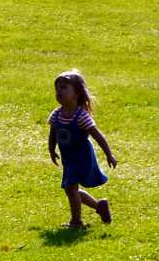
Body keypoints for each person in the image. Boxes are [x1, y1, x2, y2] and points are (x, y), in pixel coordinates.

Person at [48, 69, 117, 228]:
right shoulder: (56, 114)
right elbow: (53, 133)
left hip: (82, 157)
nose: (59, 92)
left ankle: (76, 221)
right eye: (57, 88)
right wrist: (51, 150)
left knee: (71, 189)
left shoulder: (81, 116)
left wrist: (109, 154)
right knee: (70, 190)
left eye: (64, 88)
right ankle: (99, 206)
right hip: (68, 158)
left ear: (76, 93)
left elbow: (98, 136)